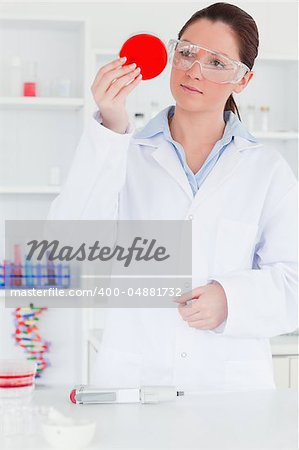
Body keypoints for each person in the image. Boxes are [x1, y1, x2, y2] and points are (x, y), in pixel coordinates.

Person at [48, 2, 298, 391]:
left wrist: (231, 300)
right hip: (136, 378)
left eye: (216, 62)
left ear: (243, 81)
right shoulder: (122, 152)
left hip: (229, 388)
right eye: (186, 52)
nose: (194, 70)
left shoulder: (267, 170)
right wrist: (111, 129)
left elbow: (293, 280)